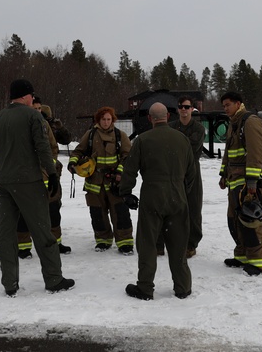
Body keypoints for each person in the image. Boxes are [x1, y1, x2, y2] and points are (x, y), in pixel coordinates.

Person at [0, 78, 74, 297]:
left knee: (7, 234)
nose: (33, 99)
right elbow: (42, 147)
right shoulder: (33, 116)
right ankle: (54, 278)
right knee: (42, 230)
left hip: (3, 182)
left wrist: (1, 172)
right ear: (27, 96)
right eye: (32, 96)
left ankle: (9, 282)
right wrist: (52, 173)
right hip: (27, 181)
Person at [119, 102, 195, 300]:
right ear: (168, 117)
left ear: (150, 119)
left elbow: (130, 170)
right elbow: (191, 173)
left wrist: (126, 193)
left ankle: (145, 287)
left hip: (152, 195)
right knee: (178, 245)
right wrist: (181, 190)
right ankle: (183, 286)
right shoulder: (182, 139)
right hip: (177, 196)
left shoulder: (143, 140)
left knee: (148, 244)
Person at [68, 106, 134, 254]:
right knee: (98, 214)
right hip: (94, 182)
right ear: (98, 120)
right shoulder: (90, 135)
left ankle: (125, 242)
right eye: (103, 119)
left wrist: (120, 172)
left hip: (115, 182)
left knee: (120, 213)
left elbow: (128, 157)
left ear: (113, 120)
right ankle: (103, 240)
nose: (106, 122)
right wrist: (73, 162)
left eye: (108, 119)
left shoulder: (120, 135)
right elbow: (78, 151)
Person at [219, 91, 262, 276]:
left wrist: (252, 182)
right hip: (235, 182)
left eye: (228, 105)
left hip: (250, 183)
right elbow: (228, 153)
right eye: (223, 105)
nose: (225, 108)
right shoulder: (234, 124)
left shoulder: (250, 121)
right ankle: (242, 255)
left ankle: (259, 262)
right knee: (235, 220)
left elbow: (256, 153)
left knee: (252, 221)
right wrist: (223, 174)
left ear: (238, 103)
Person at [16, 96, 71, 258]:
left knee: (53, 210)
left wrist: (49, 168)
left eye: (40, 109)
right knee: (24, 211)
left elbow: (53, 148)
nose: (38, 111)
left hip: (48, 176)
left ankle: (55, 242)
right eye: (35, 108)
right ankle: (23, 246)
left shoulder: (46, 125)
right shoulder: (20, 125)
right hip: (27, 177)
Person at [168, 95, 205, 258]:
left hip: (191, 170)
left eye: (187, 107)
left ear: (192, 109)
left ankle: (191, 243)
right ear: (178, 109)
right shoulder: (170, 127)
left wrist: (176, 147)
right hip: (173, 171)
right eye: (181, 107)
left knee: (193, 207)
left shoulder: (198, 128)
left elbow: (191, 149)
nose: (184, 109)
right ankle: (172, 240)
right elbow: (168, 149)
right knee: (172, 207)